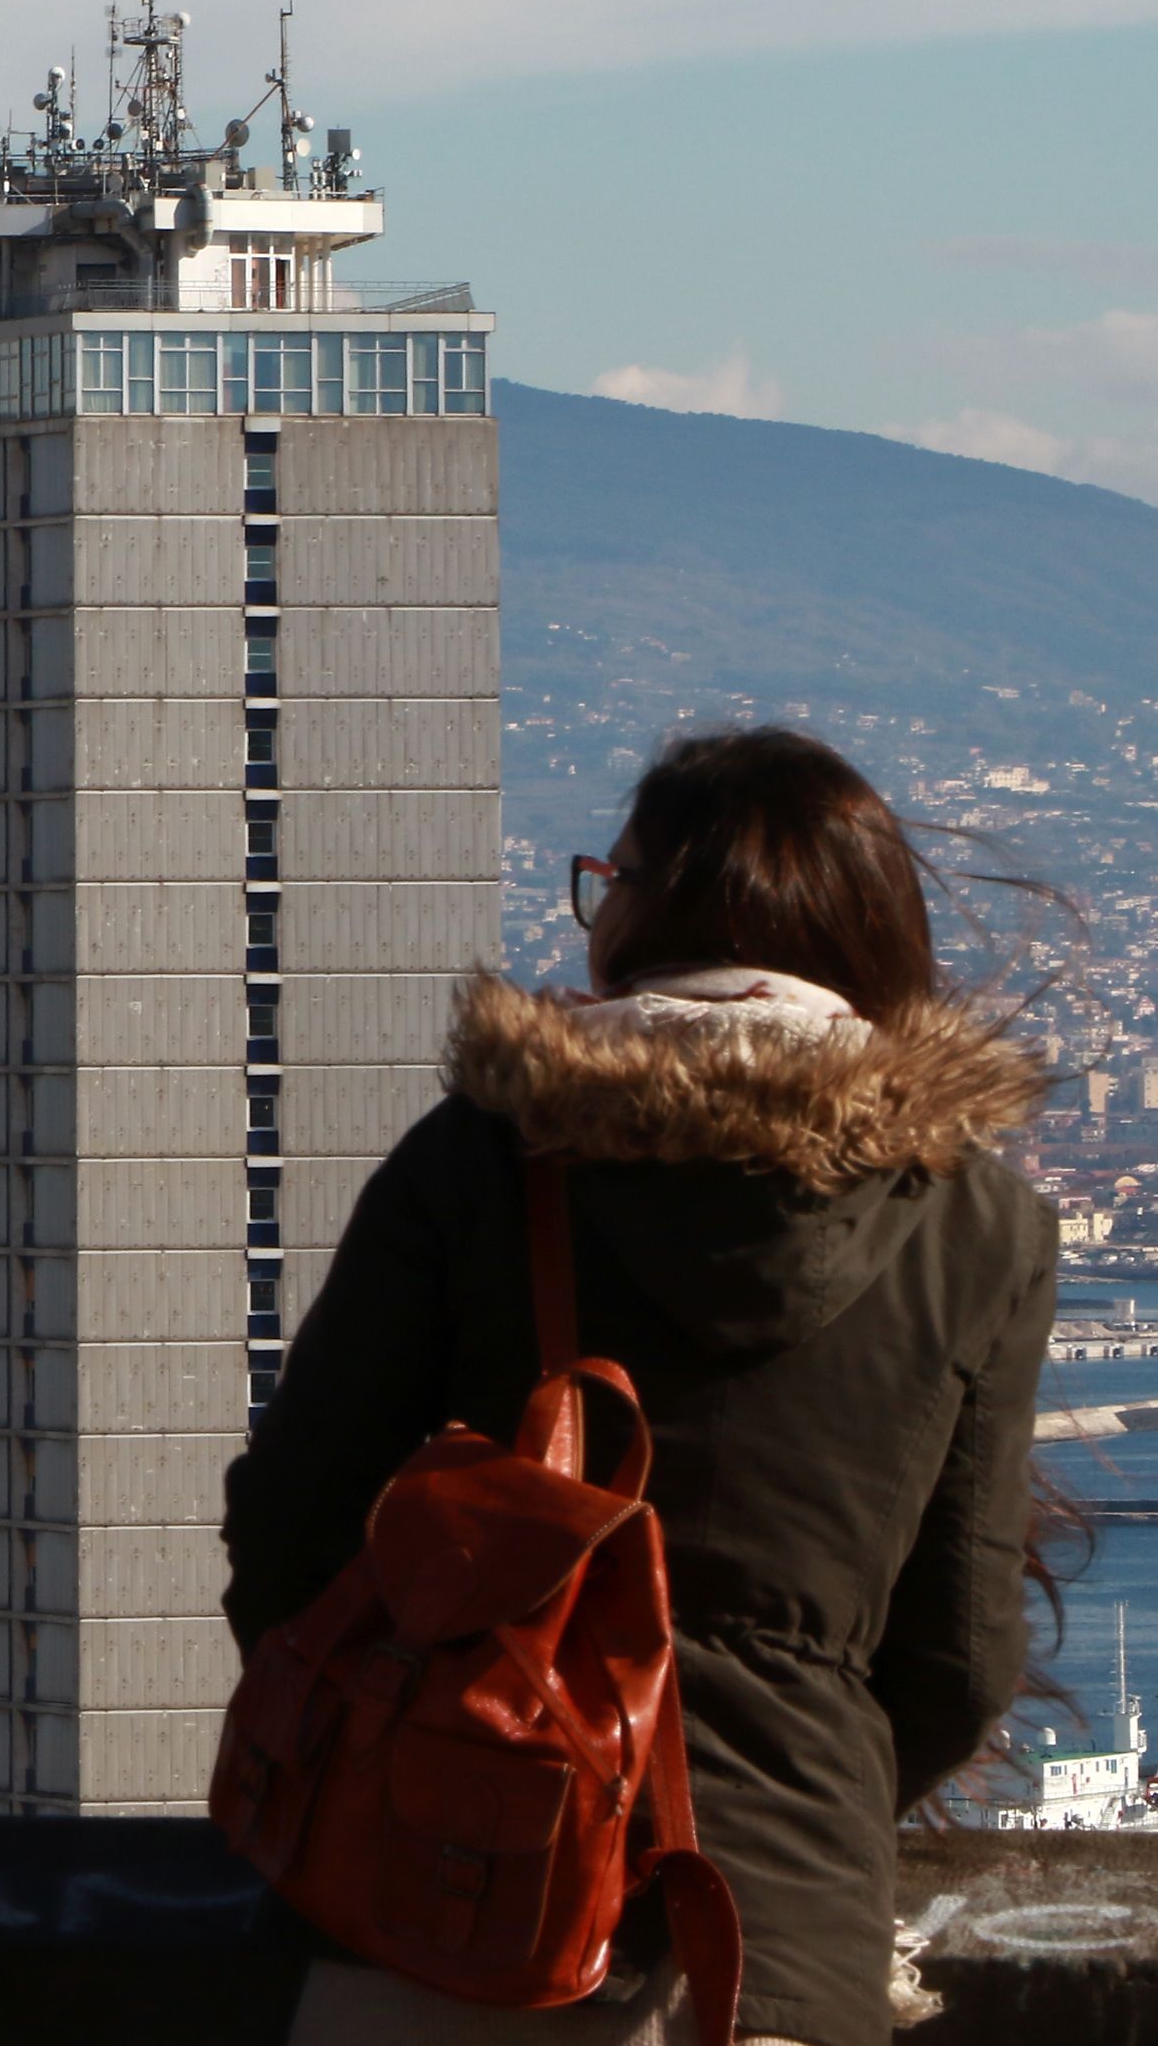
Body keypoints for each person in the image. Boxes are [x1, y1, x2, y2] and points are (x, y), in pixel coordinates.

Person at [222, 726, 1057, 2046]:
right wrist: (804, 1786)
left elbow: (292, 1524)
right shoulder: (981, 1225)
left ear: (646, 908)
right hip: (774, 1943)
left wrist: (409, 1733)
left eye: (608, 879)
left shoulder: (482, 1161)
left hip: (441, 1920)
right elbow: (957, 1656)